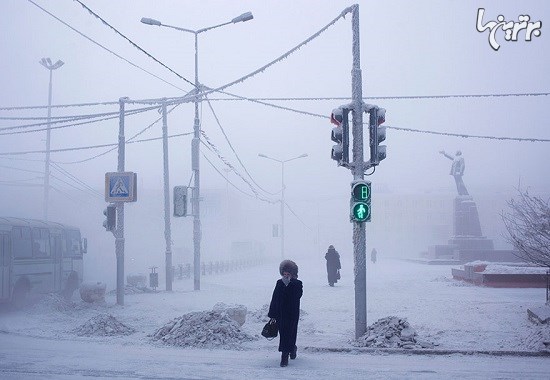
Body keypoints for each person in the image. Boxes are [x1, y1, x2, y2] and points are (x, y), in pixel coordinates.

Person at [268, 260, 303, 367]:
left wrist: (289, 285)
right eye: (284, 274)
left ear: (293, 274)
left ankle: (292, 349)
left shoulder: (297, 283)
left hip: (292, 314)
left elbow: (297, 296)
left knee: (291, 333)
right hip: (281, 314)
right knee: (284, 334)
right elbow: (275, 298)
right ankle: (284, 355)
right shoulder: (279, 283)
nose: (286, 276)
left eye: (288, 274)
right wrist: (272, 313)